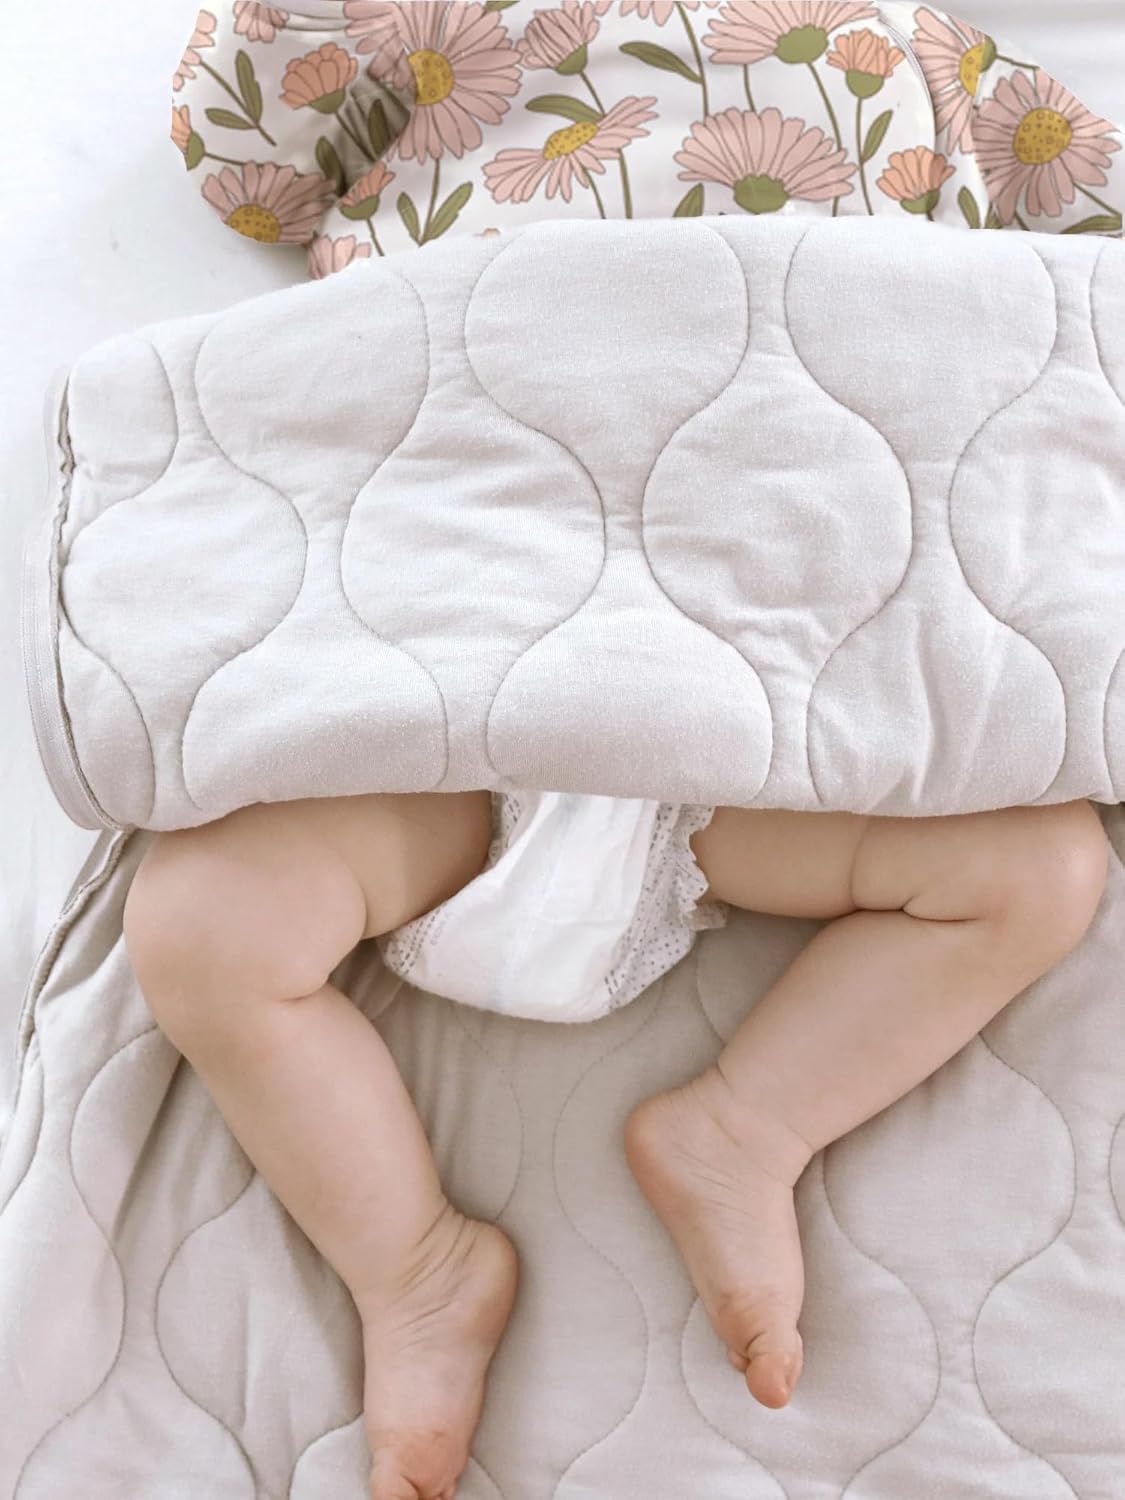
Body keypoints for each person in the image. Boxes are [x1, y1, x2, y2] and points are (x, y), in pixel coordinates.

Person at [127, 5, 1121, 1496]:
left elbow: (1070, 276)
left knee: (1038, 868)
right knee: (200, 925)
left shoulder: (926, 54)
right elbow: (242, 162)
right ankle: (415, 1269)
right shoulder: (436, 24)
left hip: (752, 694)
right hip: (452, 673)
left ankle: (743, 1129)